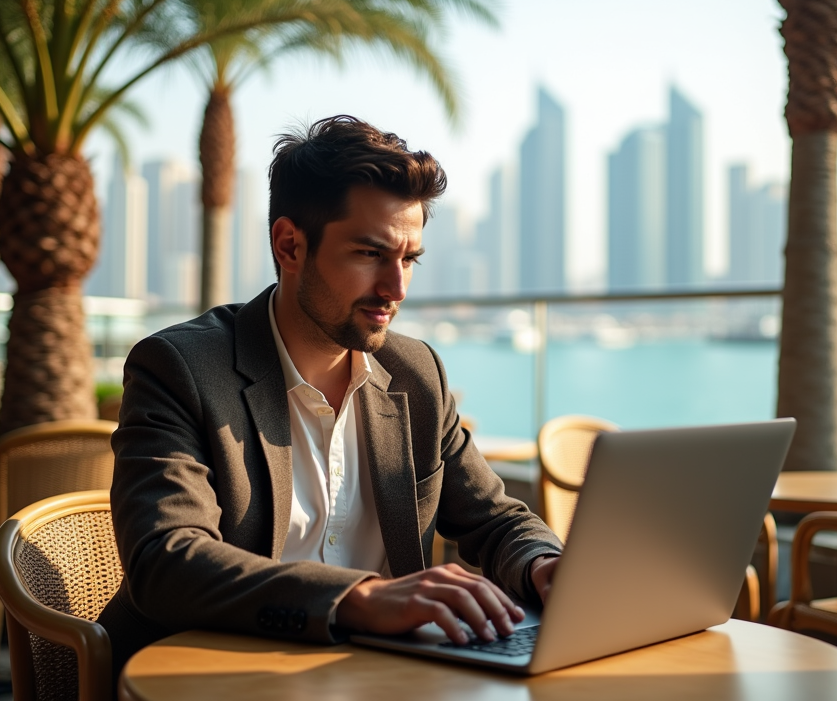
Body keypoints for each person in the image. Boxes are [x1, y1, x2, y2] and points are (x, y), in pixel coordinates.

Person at [97, 115, 563, 679]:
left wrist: (546, 564)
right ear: (290, 244)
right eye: (369, 254)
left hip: (380, 677)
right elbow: (166, 560)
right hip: (207, 676)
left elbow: (494, 519)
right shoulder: (180, 368)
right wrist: (358, 599)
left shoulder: (415, 373)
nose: (396, 289)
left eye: (409, 259)